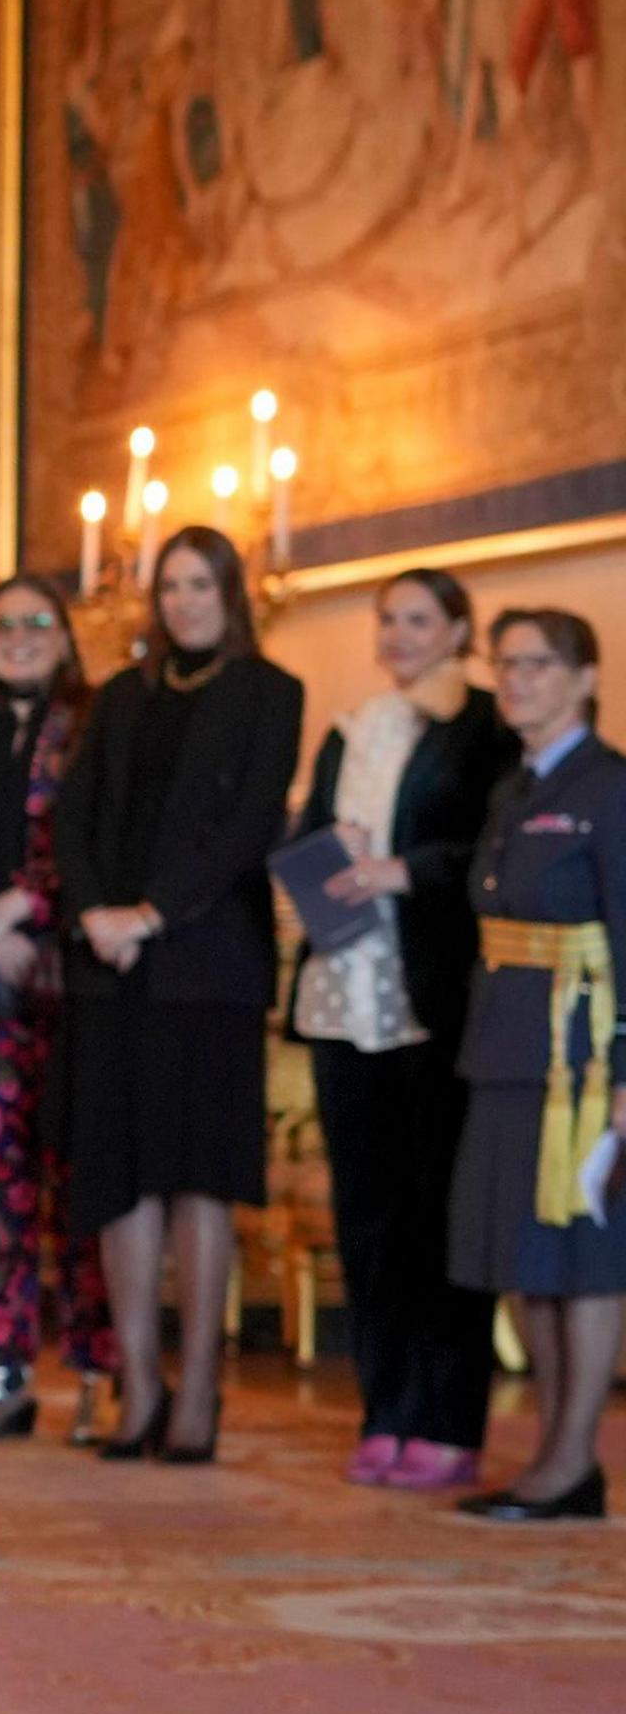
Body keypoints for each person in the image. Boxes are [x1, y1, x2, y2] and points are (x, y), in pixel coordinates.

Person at [59, 525, 304, 1464]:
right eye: (171, 587)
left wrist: (153, 914)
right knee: (122, 1180)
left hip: (209, 968)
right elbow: (74, 819)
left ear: (232, 593)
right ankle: (141, 1387)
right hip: (110, 968)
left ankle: (199, 1389)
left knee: (201, 1177)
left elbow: (249, 826)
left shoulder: (269, 692)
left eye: (202, 585)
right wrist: (94, 914)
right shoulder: (121, 697)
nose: (184, 602)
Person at [292, 570, 516, 1489]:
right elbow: (310, 834)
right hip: (348, 995)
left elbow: (494, 851)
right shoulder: (354, 725)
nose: (399, 635)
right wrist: (323, 872)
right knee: (370, 1215)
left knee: (439, 1216)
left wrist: (404, 871)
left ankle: (449, 1415)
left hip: (436, 996)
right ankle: (383, 1408)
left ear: (459, 630)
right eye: (388, 619)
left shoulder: (486, 728)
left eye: (419, 619)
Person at [444, 607, 621, 1523]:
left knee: (582, 1258)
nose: (516, 680)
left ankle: (572, 1457)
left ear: (586, 677)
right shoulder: (512, 787)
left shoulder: (609, 786)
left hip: (582, 1061)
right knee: (526, 1259)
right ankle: (559, 1453)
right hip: (508, 1045)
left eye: (539, 664)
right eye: (505, 664)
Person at [0, 574, 115, 1442]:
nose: (19, 636)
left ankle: (96, 1372)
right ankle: (3, 1371)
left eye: (38, 622)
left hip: (74, 982)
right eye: (3, 623)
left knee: (79, 1179)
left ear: (65, 635)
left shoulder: (91, 725)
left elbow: (99, 841)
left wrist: (24, 910)